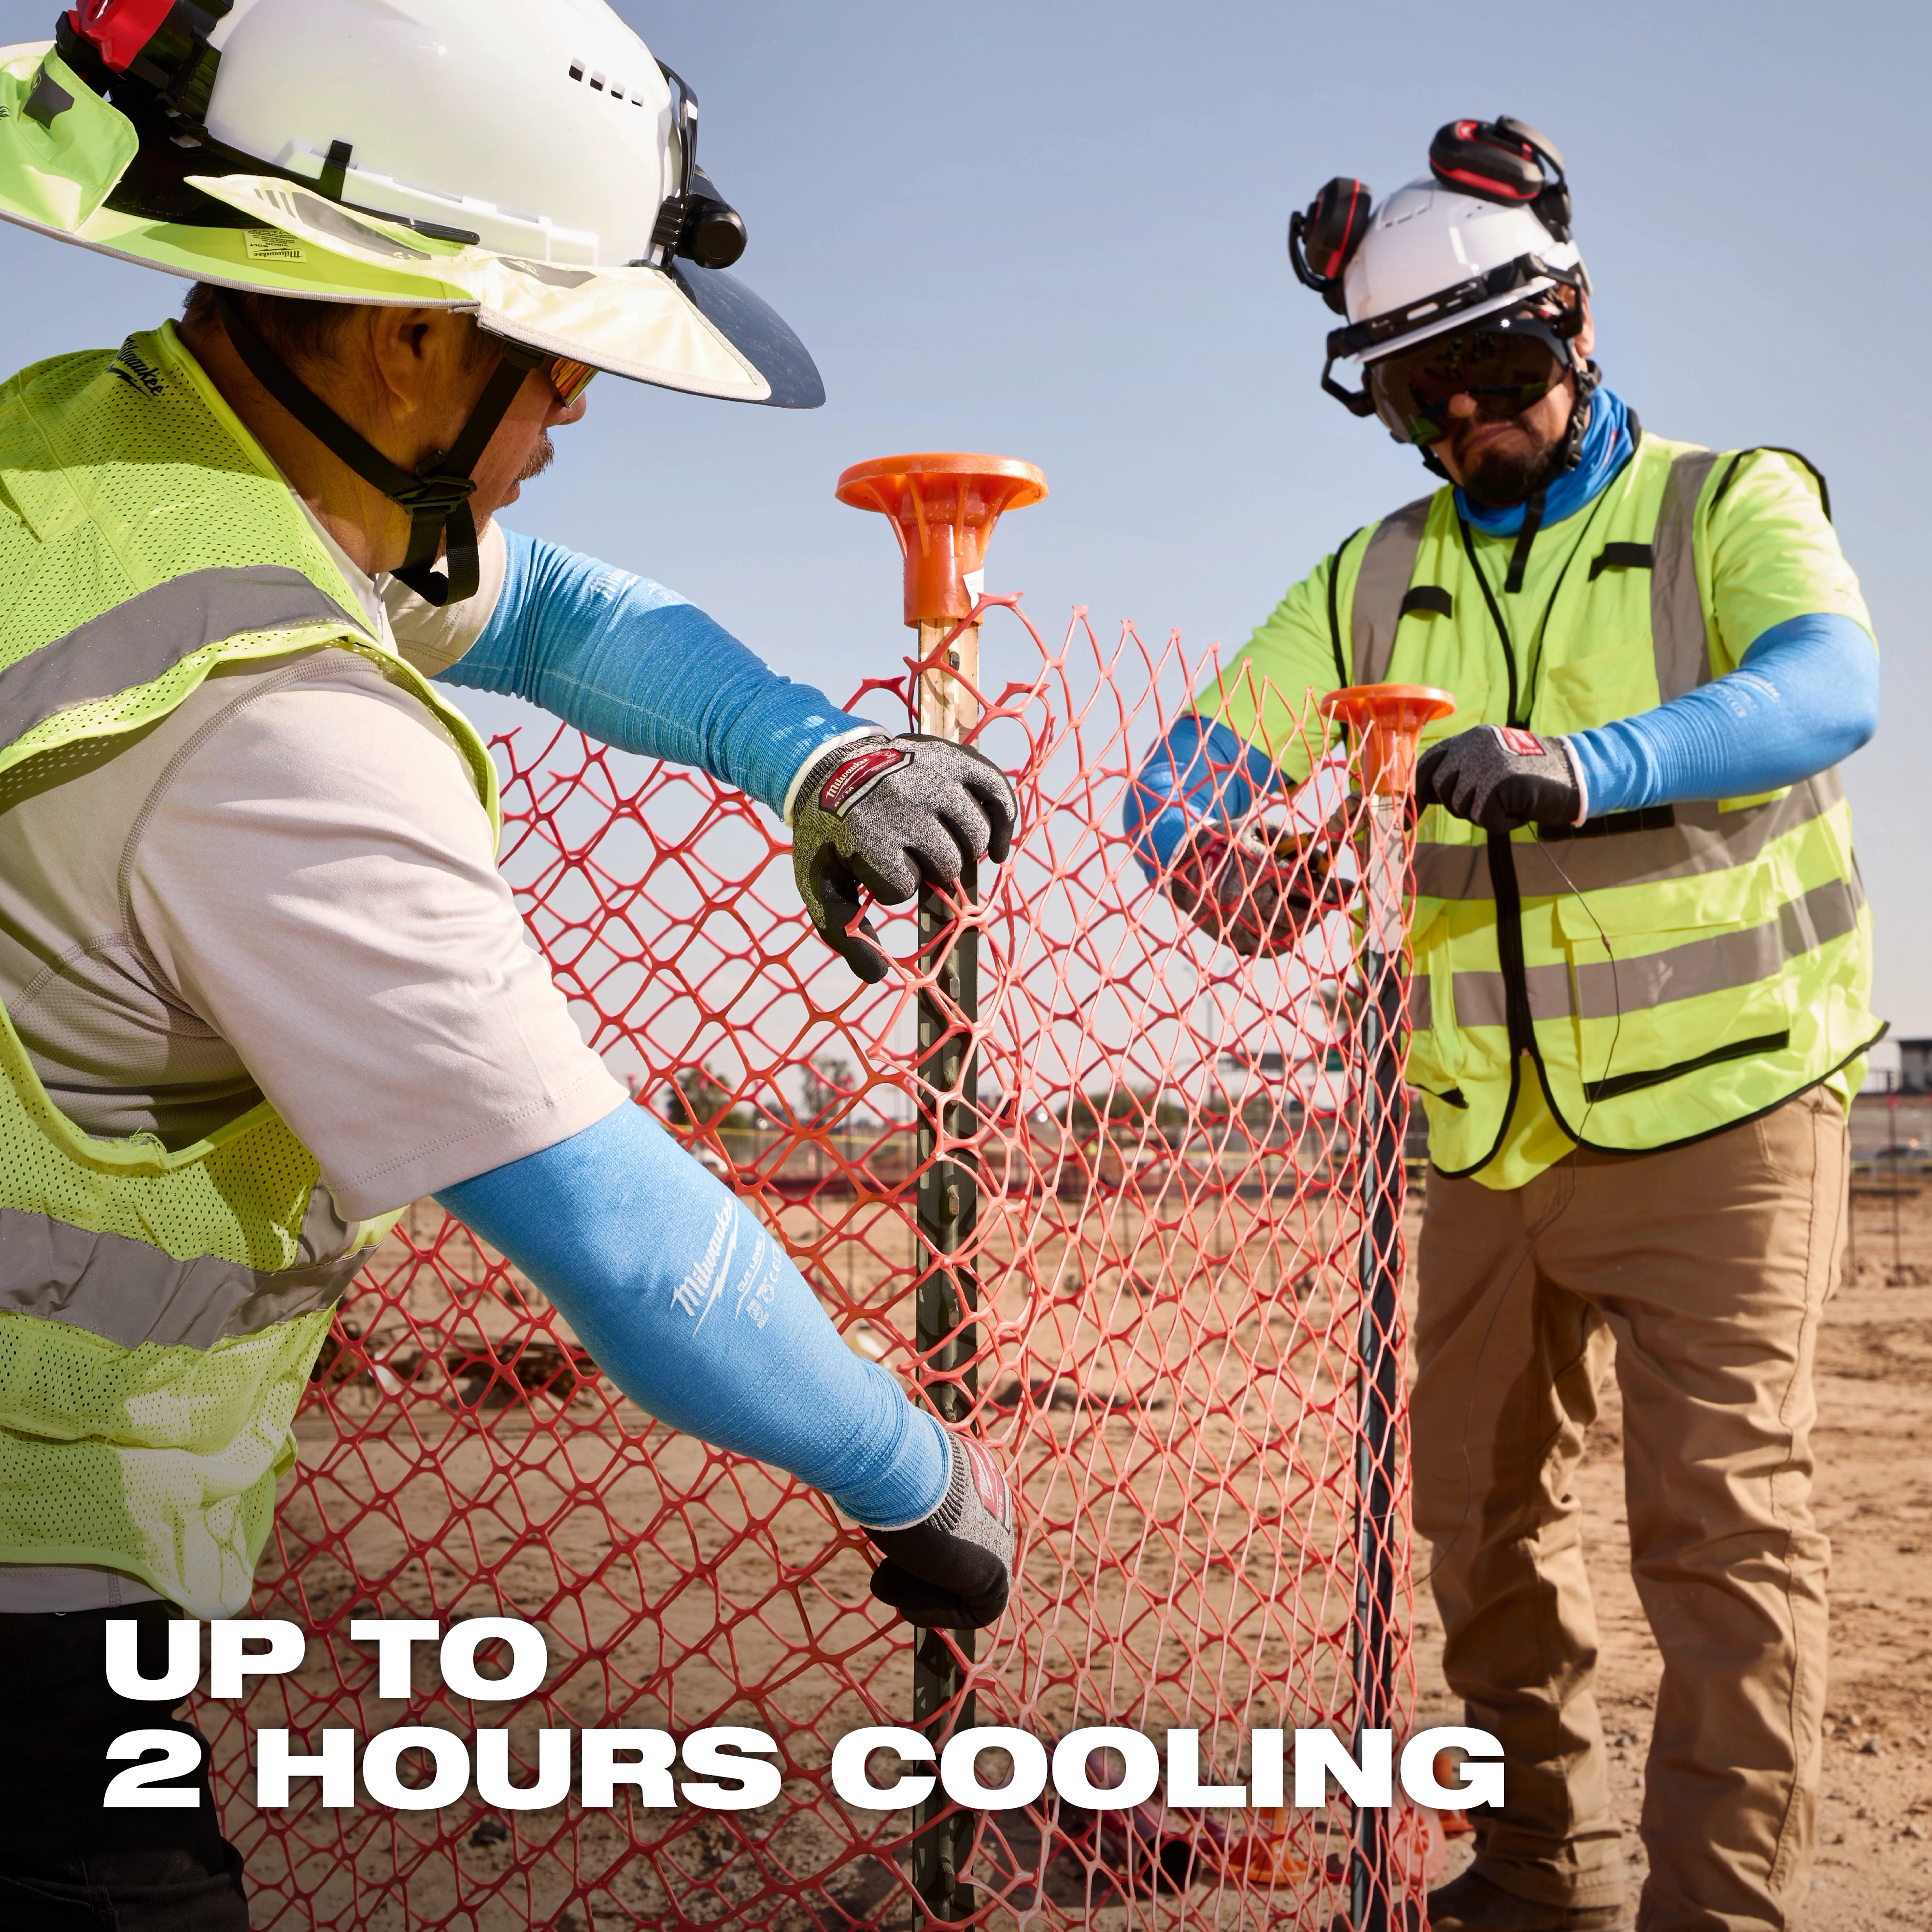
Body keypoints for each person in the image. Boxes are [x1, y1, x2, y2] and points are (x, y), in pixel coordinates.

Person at [0, 4, 1016, 1925]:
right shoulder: (275, 736)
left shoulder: (105, 465)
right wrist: (918, 1476)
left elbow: (534, 601)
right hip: (35, 1591)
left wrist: (814, 750)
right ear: (408, 339)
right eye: (561, 374)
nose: (565, 429)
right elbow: (638, 1258)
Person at [1127, 117, 1878, 1932]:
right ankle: (1545, 1877)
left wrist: (1580, 766)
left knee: (1721, 1538)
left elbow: (1828, 686)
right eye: (1417, 398)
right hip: (1481, 1136)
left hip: (1730, 1118)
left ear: (1579, 325)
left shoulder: (1729, 505)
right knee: (1480, 1529)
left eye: (1495, 370)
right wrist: (1222, 865)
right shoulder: (1374, 576)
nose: (1466, 421)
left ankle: (1722, 1914)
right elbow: (1176, 784)